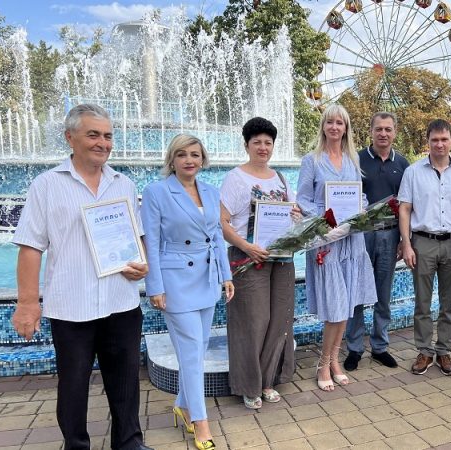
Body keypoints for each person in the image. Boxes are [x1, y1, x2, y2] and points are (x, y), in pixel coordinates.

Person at [11, 104, 153, 450]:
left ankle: (129, 442)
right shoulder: (46, 185)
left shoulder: (123, 183)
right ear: (69, 137)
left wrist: (142, 263)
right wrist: (28, 303)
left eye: (107, 135)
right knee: (73, 385)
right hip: (71, 306)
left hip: (120, 301)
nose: (102, 143)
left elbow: (136, 239)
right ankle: (76, 445)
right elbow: (30, 246)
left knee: (124, 382)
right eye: (93, 134)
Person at [142, 134, 233, 449]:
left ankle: (182, 404)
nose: (189, 160)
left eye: (195, 154)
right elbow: (151, 242)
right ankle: (200, 420)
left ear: (203, 158)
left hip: (207, 279)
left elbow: (217, 236)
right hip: (176, 281)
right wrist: (154, 285)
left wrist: (226, 274)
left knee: (199, 347)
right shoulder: (157, 192)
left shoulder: (210, 190)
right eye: (182, 154)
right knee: (193, 351)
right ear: (172, 159)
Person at [220, 117, 299, 408]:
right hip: (247, 258)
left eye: (268, 142)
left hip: (280, 258)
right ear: (247, 145)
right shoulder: (236, 178)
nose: (263, 148)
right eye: (257, 142)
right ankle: (249, 386)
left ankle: (267, 381)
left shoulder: (279, 177)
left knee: (279, 319)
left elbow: (291, 212)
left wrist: (296, 218)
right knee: (252, 322)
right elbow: (223, 222)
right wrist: (245, 247)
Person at [297, 104, 377, 391]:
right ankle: (323, 363)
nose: (334, 127)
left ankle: (333, 360)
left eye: (339, 123)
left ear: (346, 128)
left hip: (351, 241)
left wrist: (362, 213)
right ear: (323, 126)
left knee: (346, 305)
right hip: (326, 240)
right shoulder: (312, 160)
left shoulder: (352, 160)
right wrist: (323, 221)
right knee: (335, 306)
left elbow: (360, 197)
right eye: (329, 122)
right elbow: (303, 199)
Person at [398, 119, 451, 376]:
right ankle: (424, 351)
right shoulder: (413, 172)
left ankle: (444, 350)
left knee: (448, 302)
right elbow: (405, 209)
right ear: (428, 142)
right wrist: (407, 244)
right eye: (435, 140)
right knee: (422, 303)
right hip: (423, 242)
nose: (440, 144)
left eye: (444, 139)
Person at [344, 112, 409, 371]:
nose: (383, 134)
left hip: (390, 234)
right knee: (358, 291)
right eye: (379, 129)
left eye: (388, 129)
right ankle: (354, 348)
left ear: (395, 132)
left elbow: (406, 206)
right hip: (362, 234)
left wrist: (405, 240)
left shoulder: (403, 165)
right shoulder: (355, 160)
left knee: (384, 291)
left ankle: (380, 346)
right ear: (370, 131)